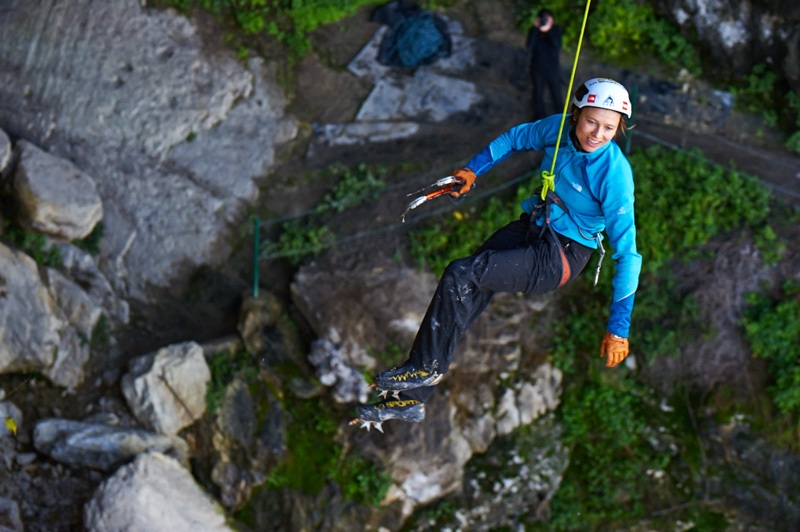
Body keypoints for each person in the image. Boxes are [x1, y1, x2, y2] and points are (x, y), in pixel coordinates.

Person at [355, 78, 641, 428]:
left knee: (462, 274)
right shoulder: (559, 128)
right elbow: (515, 138)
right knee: (465, 291)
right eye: (591, 122)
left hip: (560, 257)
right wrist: (474, 169)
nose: (597, 134)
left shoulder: (615, 175)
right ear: (576, 114)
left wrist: (618, 328)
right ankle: (414, 399)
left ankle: (424, 368)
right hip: (536, 227)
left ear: (619, 129)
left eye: (609, 128)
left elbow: (628, 254)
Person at [526, 8, 564, 121]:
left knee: (556, 93)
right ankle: (539, 117)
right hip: (537, 68)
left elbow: (557, 44)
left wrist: (548, 30)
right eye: (543, 19)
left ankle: (561, 116)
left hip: (552, 69)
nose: (545, 21)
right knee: (538, 93)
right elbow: (529, 45)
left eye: (547, 19)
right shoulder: (535, 31)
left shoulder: (556, 30)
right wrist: (536, 28)